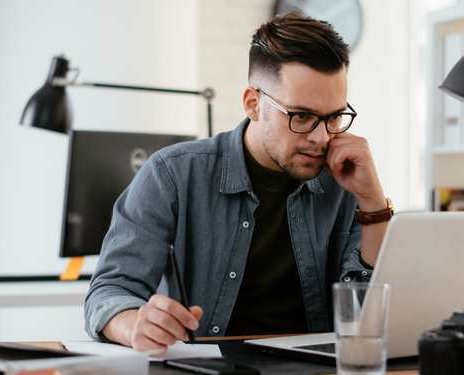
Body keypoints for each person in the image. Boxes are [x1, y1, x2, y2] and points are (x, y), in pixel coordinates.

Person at [84, 13, 394, 354]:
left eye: (334, 116)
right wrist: (135, 325)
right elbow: (109, 292)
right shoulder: (171, 174)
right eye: (302, 116)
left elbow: (369, 317)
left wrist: (373, 203)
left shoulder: (345, 181)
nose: (321, 138)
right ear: (253, 104)